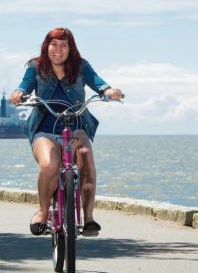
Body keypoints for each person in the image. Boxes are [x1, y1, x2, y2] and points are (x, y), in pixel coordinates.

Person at [9, 27, 123, 236]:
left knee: (86, 158)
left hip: (77, 127)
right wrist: (19, 93)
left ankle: (88, 218)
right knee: (50, 165)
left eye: (64, 45)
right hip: (45, 129)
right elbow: (24, 85)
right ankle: (43, 212)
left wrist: (108, 90)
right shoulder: (36, 67)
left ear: (71, 48)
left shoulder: (80, 66)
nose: (58, 49)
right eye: (54, 44)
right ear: (46, 46)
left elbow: (97, 82)